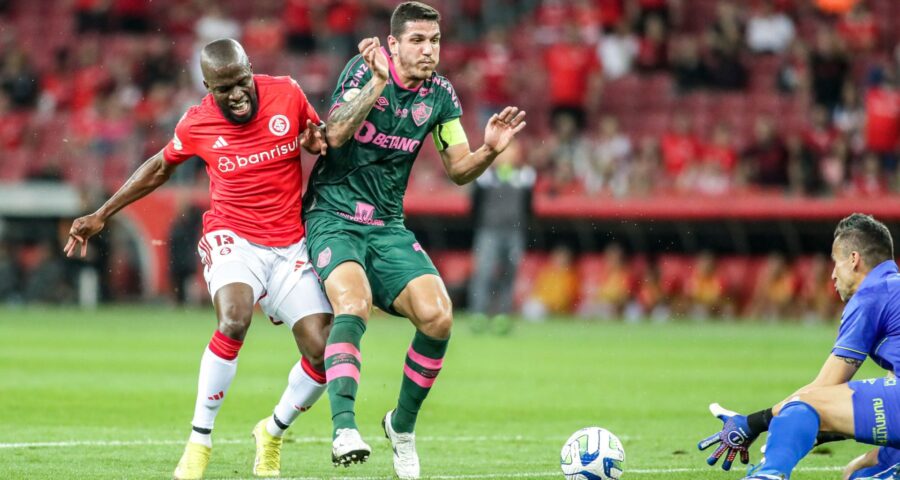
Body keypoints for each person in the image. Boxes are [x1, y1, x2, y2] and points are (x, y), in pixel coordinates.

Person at [64, 39, 332, 480]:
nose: (238, 94)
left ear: (251, 69)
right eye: (225, 88)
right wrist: (101, 214)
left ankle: (272, 430)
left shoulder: (288, 92)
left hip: (290, 244)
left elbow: (324, 137)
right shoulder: (198, 122)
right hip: (233, 238)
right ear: (207, 87)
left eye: (242, 81)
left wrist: (317, 138)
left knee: (323, 353)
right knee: (234, 318)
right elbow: (158, 168)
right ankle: (199, 443)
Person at [302, 2, 526, 478]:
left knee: (439, 316)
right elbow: (335, 134)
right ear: (394, 44)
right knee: (354, 303)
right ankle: (344, 428)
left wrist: (489, 149)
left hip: (386, 225)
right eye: (418, 41)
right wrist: (378, 82)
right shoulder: (363, 72)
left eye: (436, 41)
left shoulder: (441, 97)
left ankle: (400, 427)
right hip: (333, 215)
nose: (429, 50)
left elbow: (460, 170)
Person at [698, 213, 900, 480]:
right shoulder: (892, 290)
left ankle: (768, 475)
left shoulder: (870, 295)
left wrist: (753, 423)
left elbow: (821, 390)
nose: (832, 274)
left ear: (853, 260)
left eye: (835, 262)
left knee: (805, 404)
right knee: (860, 471)